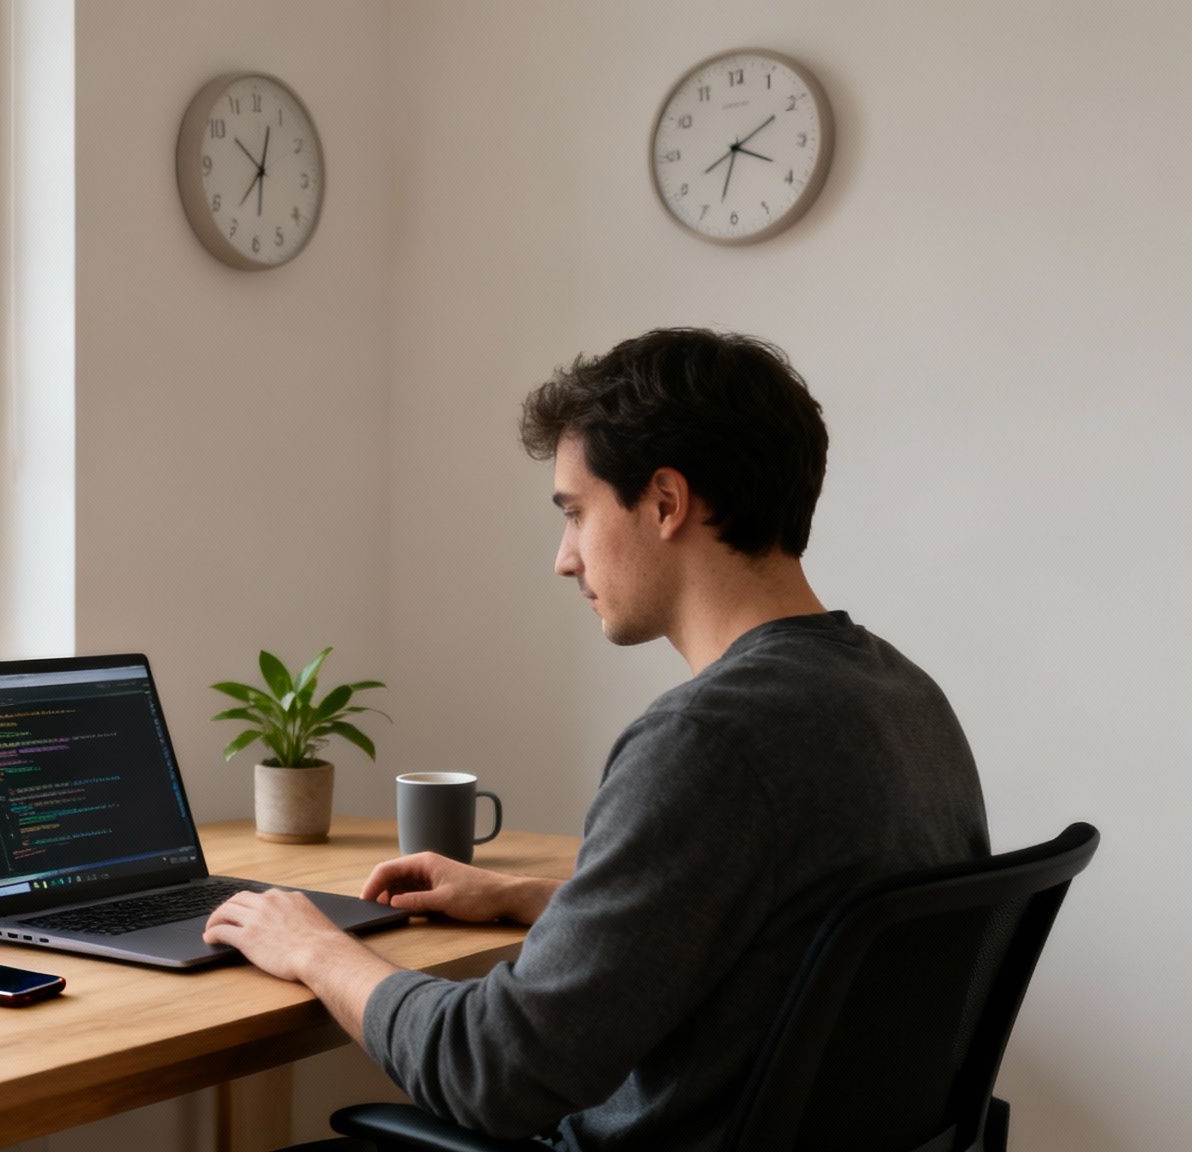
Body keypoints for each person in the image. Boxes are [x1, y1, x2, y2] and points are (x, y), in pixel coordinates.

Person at [202, 329, 990, 1151]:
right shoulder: (903, 699)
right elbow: (772, 936)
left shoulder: (706, 741)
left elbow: (495, 1071)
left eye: (575, 513)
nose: (564, 558)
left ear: (664, 502)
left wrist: (317, 950)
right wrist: (530, 896)